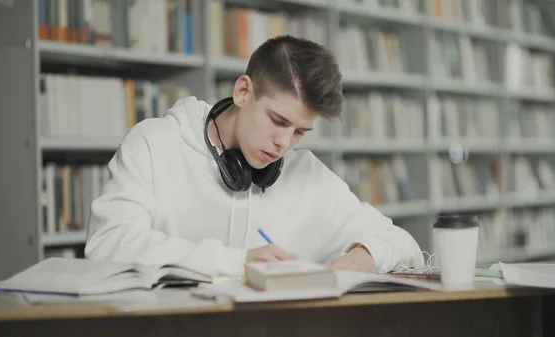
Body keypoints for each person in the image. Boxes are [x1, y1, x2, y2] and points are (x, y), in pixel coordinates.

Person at [84, 35, 424, 277]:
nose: (284, 143)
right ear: (243, 91)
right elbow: (108, 244)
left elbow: (403, 243)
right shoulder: (154, 144)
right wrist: (236, 262)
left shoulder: (307, 175)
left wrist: (365, 255)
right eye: (278, 121)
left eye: (299, 132)